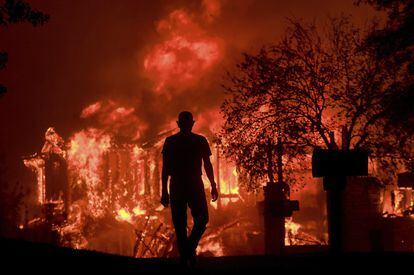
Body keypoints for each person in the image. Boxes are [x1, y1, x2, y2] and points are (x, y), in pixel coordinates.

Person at [160, 111, 218, 266]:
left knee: (180, 224)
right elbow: (207, 164)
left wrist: (164, 191)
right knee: (199, 219)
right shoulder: (199, 140)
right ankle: (188, 253)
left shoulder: (171, 141)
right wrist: (213, 185)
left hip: (179, 184)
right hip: (192, 183)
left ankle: (186, 252)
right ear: (192, 123)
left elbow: (166, 169)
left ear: (179, 124)